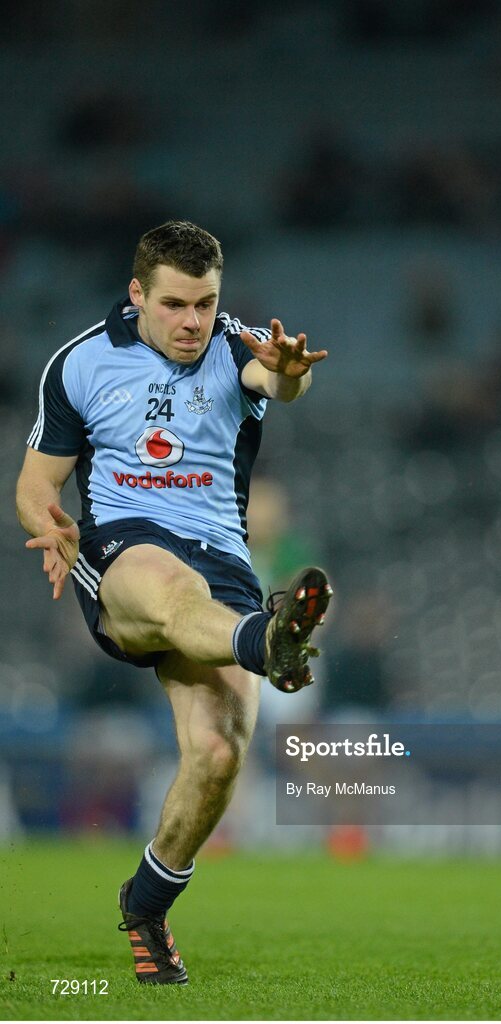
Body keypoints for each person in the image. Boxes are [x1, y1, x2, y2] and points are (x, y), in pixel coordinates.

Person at [15, 220, 333, 985]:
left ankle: (148, 902)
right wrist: (48, 525)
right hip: (125, 550)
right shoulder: (82, 363)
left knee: (220, 753)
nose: (193, 320)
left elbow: (280, 380)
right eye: (176, 304)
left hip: (223, 563)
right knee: (169, 590)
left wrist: (290, 374)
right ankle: (265, 642)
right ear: (138, 295)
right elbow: (35, 482)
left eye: (206, 302)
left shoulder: (235, 344)